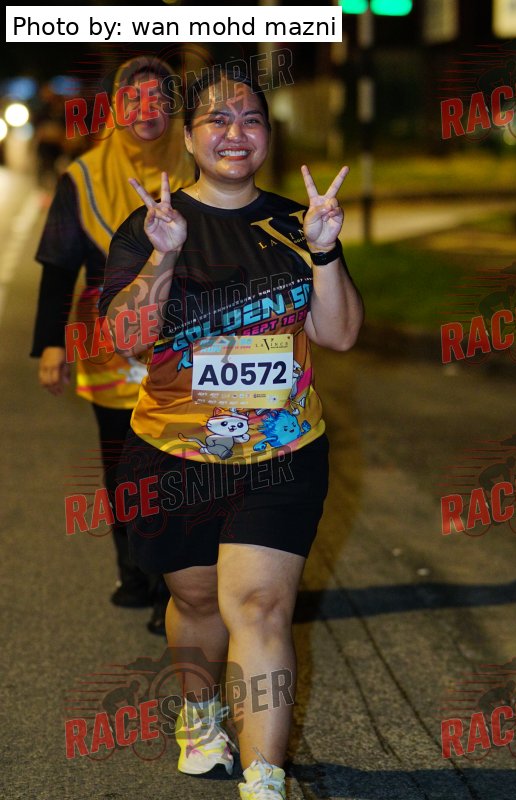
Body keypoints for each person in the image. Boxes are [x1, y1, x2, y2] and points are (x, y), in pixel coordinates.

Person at [100, 69, 363, 799]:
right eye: (216, 120)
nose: (234, 133)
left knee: (258, 607)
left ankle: (263, 779)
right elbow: (126, 338)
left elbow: (339, 334)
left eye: (250, 119)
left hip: (282, 452)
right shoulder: (151, 224)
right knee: (195, 603)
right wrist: (164, 255)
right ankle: (199, 714)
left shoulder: (298, 224)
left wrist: (325, 250)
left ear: (268, 136)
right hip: (175, 453)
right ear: (188, 138)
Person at [31, 56, 194, 635]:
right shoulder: (83, 177)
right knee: (122, 462)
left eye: (159, 98)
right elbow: (59, 265)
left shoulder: (199, 164)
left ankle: (172, 590)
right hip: (109, 343)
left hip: (184, 335)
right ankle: (134, 573)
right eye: (133, 99)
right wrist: (51, 344)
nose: (147, 110)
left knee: (176, 460)